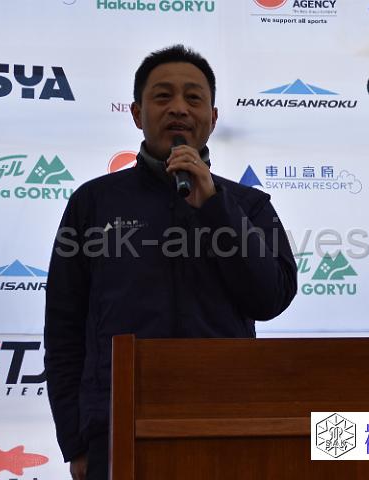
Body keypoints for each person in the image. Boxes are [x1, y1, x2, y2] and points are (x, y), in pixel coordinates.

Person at [43, 45, 297, 480]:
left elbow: (270, 297)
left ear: (212, 118)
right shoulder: (94, 203)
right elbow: (64, 327)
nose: (179, 108)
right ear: (136, 113)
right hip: (117, 426)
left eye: (193, 98)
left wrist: (216, 207)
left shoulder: (248, 205)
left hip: (225, 422)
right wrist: (76, 439)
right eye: (163, 96)